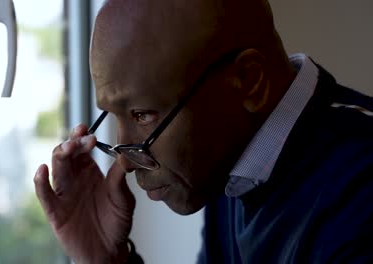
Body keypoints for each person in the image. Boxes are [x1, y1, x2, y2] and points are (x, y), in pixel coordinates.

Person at [33, 0, 373, 263]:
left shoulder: (360, 187)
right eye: (113, 113)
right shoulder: (237, 167)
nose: (125, 161)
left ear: (249, 82)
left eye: (143, 114)